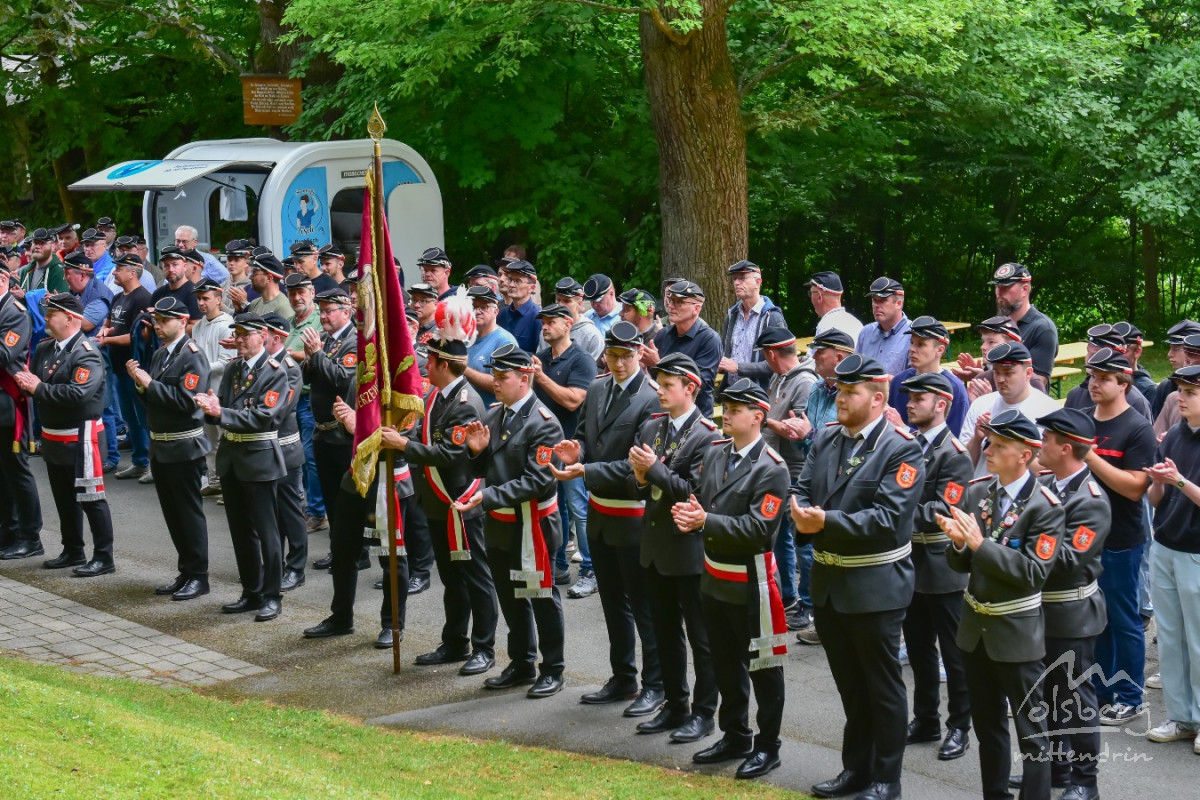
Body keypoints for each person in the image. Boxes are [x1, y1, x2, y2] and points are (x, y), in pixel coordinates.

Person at [791, 355, 923, 800]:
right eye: (840, 390)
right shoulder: (828, 438)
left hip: (875, 586)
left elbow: (888, 519)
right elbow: (802, 488)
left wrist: (823, 521)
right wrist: (800, 512)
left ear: (878, 399)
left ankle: (887, 779)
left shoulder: (900, 448)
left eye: (851, 392)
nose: (841, 399)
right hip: (829, 585)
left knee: (882, 688)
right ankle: (856, 769)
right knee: (851, 686)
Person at [939, 410, 1065, 800]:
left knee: (1031, 732)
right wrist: (958, 543)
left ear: (1025, 455)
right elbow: (961, 564)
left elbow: (1033, 572)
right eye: (989, 442)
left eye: (998, 445)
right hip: (975, 629)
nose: (988, 450)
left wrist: (979, 545)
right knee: (987, 726)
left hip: (1016, 632)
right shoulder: (979, 492)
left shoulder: (1045, 506)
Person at [673, 378, 789, 780]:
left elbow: (759, 529)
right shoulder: (716, 452)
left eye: (736, 410)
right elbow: (705, 500)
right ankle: (735, 734)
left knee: (763, 668)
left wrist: (705, 520)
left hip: (752, 583)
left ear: (758, 417)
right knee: (725, 664)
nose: (727, 414)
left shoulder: (772, 468)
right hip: (714, 578)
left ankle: (768, 746)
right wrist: (693, 514)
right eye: (726, 407)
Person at [552, 321, 664, 716]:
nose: (617, 363)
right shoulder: (598, 388)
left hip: (632, 515)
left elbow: (637, 466)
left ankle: (656, 683)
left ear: (639, 354)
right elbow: (585, 435)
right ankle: (623, 676)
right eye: (611, 355)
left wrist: (586, 469)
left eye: (625, 356)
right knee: (613, 603)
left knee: (642, 605)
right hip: (600, 513)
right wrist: (577, 451)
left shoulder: (650, 398)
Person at [454, 344, 566, 698]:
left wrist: (487, 497)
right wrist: (475, 451)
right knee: (511, 596)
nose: (496, 382)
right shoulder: (494, 416)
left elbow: (538, 481)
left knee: (541, 597)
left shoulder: (544, 424)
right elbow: (483, 468)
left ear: (525, 378)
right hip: (501, 523)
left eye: (503, 377)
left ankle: (553, 668)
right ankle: (521, 661)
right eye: (495, 375)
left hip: (533, 523)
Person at [395, 299, 500, 675]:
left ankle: (484, 646)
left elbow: (450, 454)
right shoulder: (435, 396)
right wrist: (403, 437)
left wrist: (403, 446)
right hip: (439, 502)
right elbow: (424, 436)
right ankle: (455, 641)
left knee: (475, 576)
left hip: (461, 503)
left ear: (443, 365)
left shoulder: (465, 404)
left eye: (429, 361)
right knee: (451, 577)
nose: (425, 365)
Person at [629, 353, 721, 743]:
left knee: (701, 637)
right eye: (660, 384)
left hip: (688, 550)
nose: (661, 392)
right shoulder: (654, 426)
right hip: (656, 546)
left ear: (691, 388)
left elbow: (695, 494)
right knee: (664, 632)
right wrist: (641, 475)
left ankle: (704, 712)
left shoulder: (708, 436)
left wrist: (652, 470)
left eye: (668, 386)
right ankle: (675, 704)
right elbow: (639, 484)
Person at [1031, 407, 1111, 800]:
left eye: (1046, 439)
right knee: (1048, 696)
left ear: (1065, 448)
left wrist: (1018, 550)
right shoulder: (1047, 484)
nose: (1039, 444)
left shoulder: (1090, 501)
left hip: (1070, 613)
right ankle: (1057, 770)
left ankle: (1085, 781)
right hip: (1042, 609)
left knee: (1075, 701)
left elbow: (1065, 562)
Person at [1079, 348, 1157, 726]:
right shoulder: (1082, 419)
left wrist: (1090, 456)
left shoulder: (1137, 428)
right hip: (1085, 539)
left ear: (1123, 382)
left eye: (1104, 378)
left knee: (1124, 620)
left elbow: (1135, 487)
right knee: (1097, 620)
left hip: (1122, 540)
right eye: (1092, 376)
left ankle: (1129, 696)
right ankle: (1101, 691)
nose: (1094, 384)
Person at [898, 371, 974, 763]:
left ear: (941, 405)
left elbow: (945, 510)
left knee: (954, 653)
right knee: (918, 648)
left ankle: (959, 724)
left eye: (919, 399)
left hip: (943, 566)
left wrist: (894, 512)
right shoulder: (908, 446)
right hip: (911, 563)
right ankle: (926, 718)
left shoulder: (954, 455)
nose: (909, 404)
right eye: (909, 398)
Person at [195, 313, 290, 622]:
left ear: (263, 336)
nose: (240, 339)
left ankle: (272, 595)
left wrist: (220, 413)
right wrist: (210, 410)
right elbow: (221, 406)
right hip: (232, 456)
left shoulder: (275, 372)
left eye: (246, 334)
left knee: (267, 531)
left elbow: (264, 416)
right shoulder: (234, 368)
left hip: (259, 457)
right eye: (237, 334)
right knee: (240, 531)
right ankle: (251, 591)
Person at [16, 293, 115, 577]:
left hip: (80, 436)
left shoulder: (86, 352)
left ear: (70, 318)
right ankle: (72, 549)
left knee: (91, 498)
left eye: (51, 314)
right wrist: (27, 384)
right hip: (53, 435)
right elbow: (35, 382)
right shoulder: (46, 348)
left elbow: (78, 394)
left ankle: (104, 556)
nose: (46, 319)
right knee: (64, 498)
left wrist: (38, 388)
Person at [301, 396, 411, 648]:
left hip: (387, 479)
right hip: (356, 476)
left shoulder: (401, 385)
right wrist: (344, 419)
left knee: (391, 557)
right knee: (342, 550)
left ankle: (392, 625)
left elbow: (401, 437)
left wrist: (357, 425)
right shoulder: (363, 379)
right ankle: (341, 617)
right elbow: (351, 432)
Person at [126, 297, 212, 600]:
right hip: (161, 446)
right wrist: (141, 385)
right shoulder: (161, 354)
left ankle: (199, 576)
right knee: (173, 515)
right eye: (156, 320)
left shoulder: (193, 356)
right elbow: (152, 401)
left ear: (183, 321)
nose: (158, 326)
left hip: (184, 445)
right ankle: (186, 570)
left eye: (164, 320)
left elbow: (186, 402)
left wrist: (150, 384)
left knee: (188, 513)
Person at [1144, 364, 1200, 753]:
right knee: (1171, 637)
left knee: (1198, 640)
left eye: (1190, 392)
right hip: (1164, 545)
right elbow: (1155, 499)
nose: (1180, 397)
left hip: (1196, 552)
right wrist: (1158, 482)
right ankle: (1181, 717)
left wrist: (1179, 480)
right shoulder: (1176, 434)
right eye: (1180, 390)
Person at [793, 329, 856, 643]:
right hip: (815, 476)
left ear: (839, 357)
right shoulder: (818, 389)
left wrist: (807, 433)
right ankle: (821, 617)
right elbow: (816, 446)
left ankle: (837, 619)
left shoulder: (851, 395)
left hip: (840, 485)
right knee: (815, 555)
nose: (813, 356)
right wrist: (803, 435)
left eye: (820, 352)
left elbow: (840, 441)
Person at [531, 304, 596, 593]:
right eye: (543, 322)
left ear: (568, 324)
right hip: (545, 446)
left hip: (571, 447)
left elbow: (573, 401)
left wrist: (541, 376)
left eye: (551, 321)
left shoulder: (581, 360)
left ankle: (590, 569)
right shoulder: (543, 357)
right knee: (553, 507)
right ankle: (557, 565)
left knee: (579, 508)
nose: (545, 327)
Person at [757, 327, 818, 627]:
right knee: (779, 536)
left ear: (771, 353)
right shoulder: (777, 378)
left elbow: (798, 432)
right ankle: (788, 596)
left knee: (801, 541)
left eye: (764, 355)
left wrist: (762, 419)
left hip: (795, 472)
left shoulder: (804, 382)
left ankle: (808, 605)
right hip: (775, 468)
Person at [301, 288, 358, 573]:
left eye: (328, 311)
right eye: (321, 311)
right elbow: (308, 376)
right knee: (331, 497)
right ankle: (339, 550)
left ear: (346, 312)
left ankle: (354, 554)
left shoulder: (354, 341)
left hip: (342, 433)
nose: (323, 317)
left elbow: (341, 379)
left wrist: (318, 354)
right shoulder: (324, 339)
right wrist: (311, 356)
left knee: (347, 499)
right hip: (322, 431)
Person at [959, 342, 1059, 477]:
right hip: (982, 489)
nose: (1000, 379)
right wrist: (977, 439)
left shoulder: (1049, 412)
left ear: (1028, 373)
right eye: (996, 373)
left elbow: (1049, 471)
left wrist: (1005, 441)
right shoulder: (981, 404)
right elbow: (962, 465)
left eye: (1008, 373)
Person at [260, 313, 308, 593]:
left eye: (262, 334)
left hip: (285, 449)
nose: (258, 338)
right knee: (271, 512)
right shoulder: (262, 365)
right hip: (265, 449)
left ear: (276, 338)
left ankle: (296, 567)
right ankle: (274, 565)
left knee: (290, 511)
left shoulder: (289, 368)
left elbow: (278, 410)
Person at [97, 253, 153, 482]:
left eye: (119, 269)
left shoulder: (143, 298)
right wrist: (104, 330)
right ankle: (139, 461)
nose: (114, 272)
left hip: (136, 367)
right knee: (129, 417)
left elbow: (138, 336)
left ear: (132, 272)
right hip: (119, 367)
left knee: (142, 417)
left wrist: (107, 340)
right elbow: (109, 322)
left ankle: (151, 462)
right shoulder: (119, 297)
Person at [0, 260, 42, 560]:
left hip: (8, 400)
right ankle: (9, 529)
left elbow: (4, 354)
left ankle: (30, 536)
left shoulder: (14, 313)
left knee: (17, 470)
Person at [282, 272, 327, 535]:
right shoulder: (289, 323)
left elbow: (321, 353)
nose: (297, 297)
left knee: (311, 457)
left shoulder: (320, 319)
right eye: (292, 293)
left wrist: (289, 354)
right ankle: (305, 506)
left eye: (301, 292)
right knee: (296, 456)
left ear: (312, 293)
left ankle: (318, 512)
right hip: (291, 398)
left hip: (311, 397)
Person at [645, 281, 722, 418]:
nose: (671, 306)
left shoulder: (709, 339)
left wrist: (658, 364)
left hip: (696, 419)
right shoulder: (663, 335)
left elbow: (698, 385)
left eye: (679, 302)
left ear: (696, 309)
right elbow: (653, 379)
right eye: (671, 300)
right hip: (665, 415)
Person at [888, 316, 970, 436]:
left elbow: (952, 439)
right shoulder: (899, 380)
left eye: (921, 344)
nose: (912, 349)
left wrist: (905, 429)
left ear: (940, 350)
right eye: (912, 343)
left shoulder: (954, 388)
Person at [190, 278, 235, 494]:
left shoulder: (227, 324)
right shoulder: (198, 326)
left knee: (223, 438)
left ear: (218, 299)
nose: (201, 303)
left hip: (220, 392)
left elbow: (227, 361)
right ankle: (214, 480)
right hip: (203, 391)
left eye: (205, 298)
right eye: (199, 299)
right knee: (208, 438)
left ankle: (227, 482)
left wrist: (201, 368)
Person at [717, 260, 787, 389]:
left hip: (760, 395)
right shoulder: (732, 316)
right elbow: (724, 356)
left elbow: (780, 362)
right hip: (731, 392)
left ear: (758, 282)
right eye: (734, 279)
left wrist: (738, 367)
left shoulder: (772, 317)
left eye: (742, 278)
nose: (736, 283)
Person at [1063, 324, 1152, 420]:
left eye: (1097, 353)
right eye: (1088, 351)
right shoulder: (1075, 395)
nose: (1089, 358)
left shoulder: (1135, 401)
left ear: (1115, 356)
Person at [989, 263, 1058, 383]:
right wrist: (979, 374)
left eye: (1005, 287)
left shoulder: (1043, 329)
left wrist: (987, 377)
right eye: (997, 287)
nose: (999, 293)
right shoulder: (998, 324)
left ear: (1024, 290)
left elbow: (1038, 382)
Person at [464, 284, 518, 406]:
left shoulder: (505, 341)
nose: (477, 311)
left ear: (496, 311)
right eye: (472, 306)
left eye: (484, 307)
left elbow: (504, 385)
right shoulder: (464, 338)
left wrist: (463, 369)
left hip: (490, 414)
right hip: (463, 411)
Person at [856, 277, 912, 378]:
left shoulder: (913, 335)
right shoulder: (866, 333)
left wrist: (886, 380)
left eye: (882, 300)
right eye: (874, 300)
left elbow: (916, 381)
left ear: (898, 303)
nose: (876, 305)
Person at [551, 277, 603, 360]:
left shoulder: (591, 336)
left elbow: (594, 367)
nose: (561, 305)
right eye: (558, 300)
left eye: (567, 301)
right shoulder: (548, 330)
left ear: (579, 303)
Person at [497, 260, 542, 353]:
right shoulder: (502, 314)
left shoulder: (538, 318)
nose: (511, 285)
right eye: (510, 280)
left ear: (532, 288)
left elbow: (541, 355)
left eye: (517, 281)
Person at [807, 271, 863, 343]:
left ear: (819, 297)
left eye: (810, 293)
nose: (810, 298)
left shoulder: (825, 326)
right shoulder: (857, 324)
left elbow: (817, 351)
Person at [13, 228, 68, 299]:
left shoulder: (59, 271)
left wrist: (25, 297)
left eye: (42, 243)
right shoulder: (26, 271)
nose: (37, 247)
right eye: (35, 243)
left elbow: (60, 303)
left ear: (52, 247)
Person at [245, 249, 294, 322]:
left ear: (269, 278)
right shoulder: (254, 303)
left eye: (255, 273)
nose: (250, 277)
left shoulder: (283, 308)